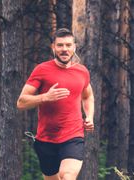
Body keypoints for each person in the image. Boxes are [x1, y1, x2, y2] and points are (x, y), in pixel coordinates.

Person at [17, 28, 94, 180]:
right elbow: (21, 102)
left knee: (67, 176)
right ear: (53, 47)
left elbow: (88, 96)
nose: (64, 49)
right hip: (46, 138)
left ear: (74, 47)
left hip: (73, 135)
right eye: (60, 45)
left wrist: (89, 116)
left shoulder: (82, 71)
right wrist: (45, 97)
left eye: (68, 45)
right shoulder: (42, 70)